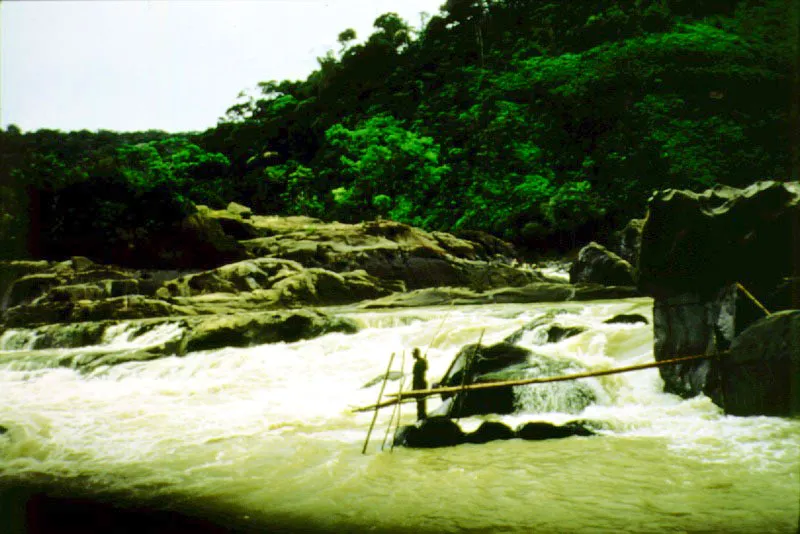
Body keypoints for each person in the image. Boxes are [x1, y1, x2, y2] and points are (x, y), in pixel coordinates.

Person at [412, 347, 428, 420]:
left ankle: (421, 417)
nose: (413, 355)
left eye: (413, 354)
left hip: (419, 384)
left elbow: (416, 376)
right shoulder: (423, 361)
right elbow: (426, 368)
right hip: (422, 383)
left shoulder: (417, 363)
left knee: (420, 403)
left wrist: (414, 388)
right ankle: (422, 416)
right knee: (422, 402)